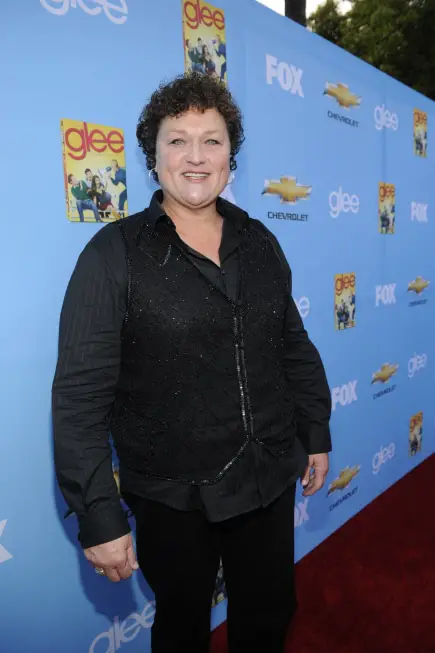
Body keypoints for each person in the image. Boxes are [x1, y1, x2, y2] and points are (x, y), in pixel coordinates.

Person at [53, 72, 332, 653]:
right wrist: (99, 515)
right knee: (181, 629)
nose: (196, 157)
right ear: (153, 158)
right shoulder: (112, 255)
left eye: (212, 140)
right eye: (177, 141)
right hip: (173, 500)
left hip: (268, 478)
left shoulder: (261, 242)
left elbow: (293, 346)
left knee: (269, 616)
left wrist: (315, 429)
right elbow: (80, 398)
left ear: (232, 156)